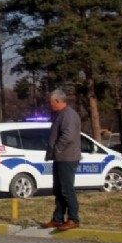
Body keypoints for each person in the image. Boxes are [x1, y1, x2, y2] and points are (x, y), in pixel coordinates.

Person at [41, 89, 82, 231]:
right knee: (58, 189)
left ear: (57, 101)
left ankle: (73, 218)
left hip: (67, 157)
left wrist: (57, 148)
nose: (49, 104)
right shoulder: (60, 115)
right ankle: (58, 218)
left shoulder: (68, 115)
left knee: (66, 189)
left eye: (50, 102)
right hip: (60, 158)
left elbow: (68, 136)